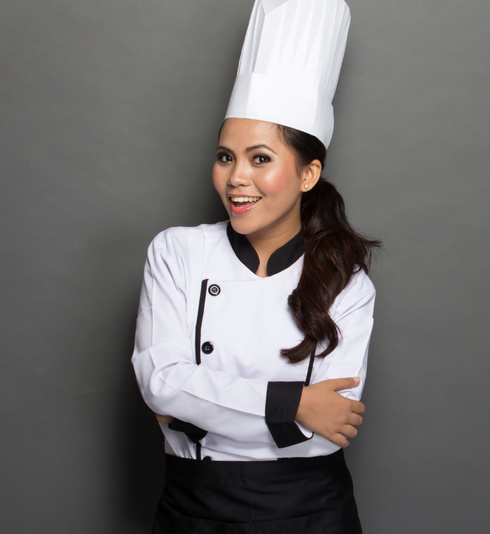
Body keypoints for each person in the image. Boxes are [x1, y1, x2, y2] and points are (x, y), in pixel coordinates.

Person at [131, 1, 377, 531]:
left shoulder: (345, 277)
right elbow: (160, 385)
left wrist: (195, 409)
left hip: (311, 509)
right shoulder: (177, 252)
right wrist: (295, 404)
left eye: (260, 158)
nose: (236, 177)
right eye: (225, 156)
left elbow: (331, 422)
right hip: (193, 507)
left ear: (308, 174)